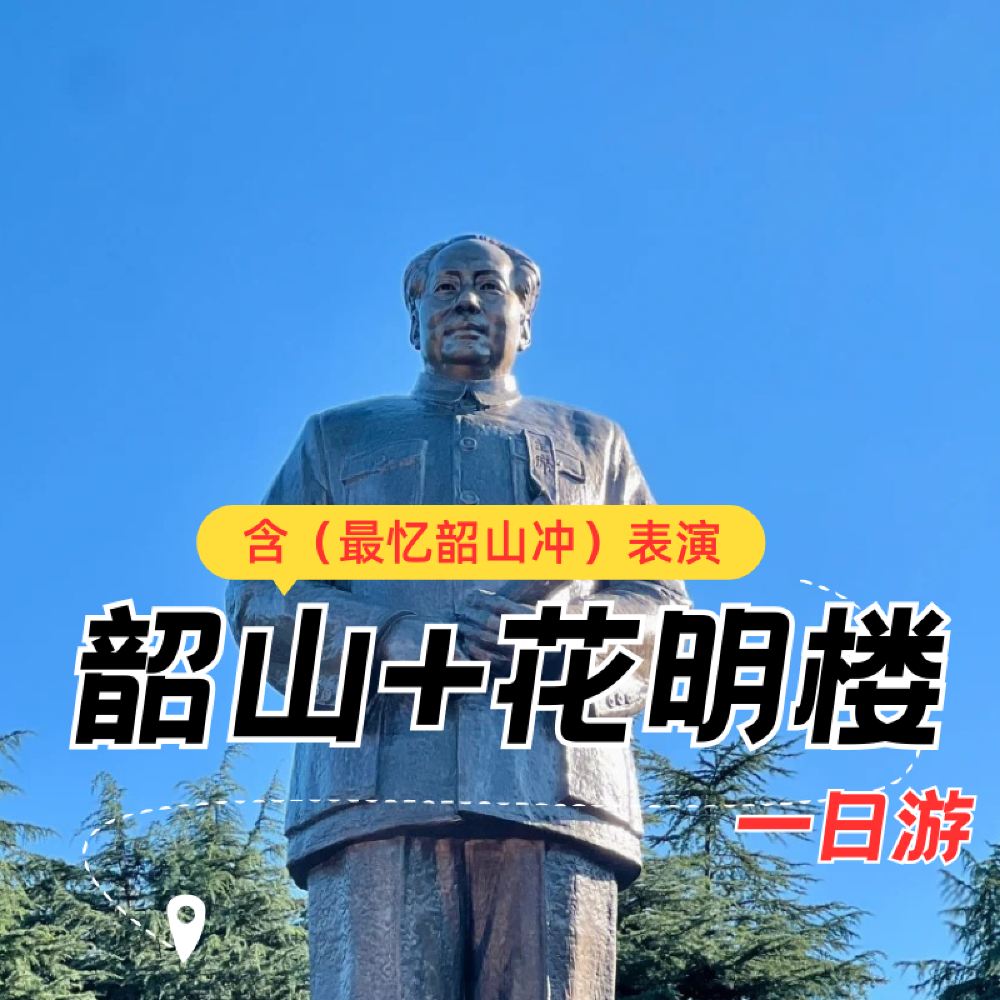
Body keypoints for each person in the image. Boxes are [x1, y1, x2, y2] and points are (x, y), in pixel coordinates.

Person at [225, 234, 688, 999]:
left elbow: (662, 603)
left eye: (489, 286)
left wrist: (562, 642)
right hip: (375, 782)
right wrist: (392, 641)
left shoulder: (595, 444)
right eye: (445, 288)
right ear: (414, 320)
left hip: (555, 781)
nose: (467, 301)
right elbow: (256, 592)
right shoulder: (337, 438)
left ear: (525, 318)